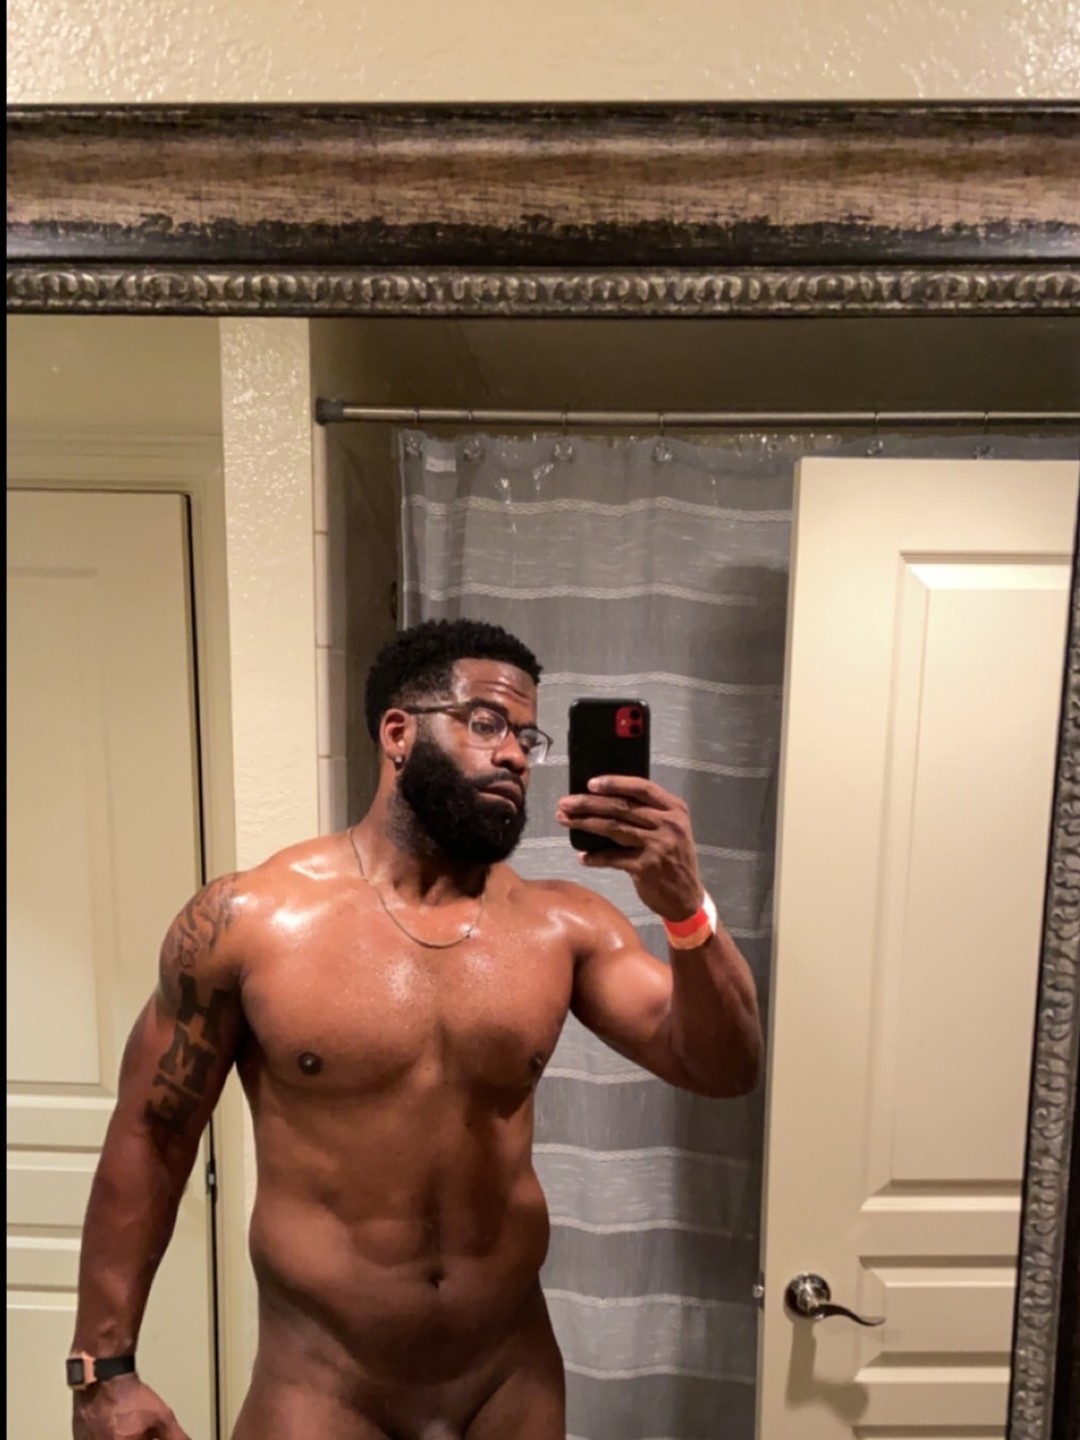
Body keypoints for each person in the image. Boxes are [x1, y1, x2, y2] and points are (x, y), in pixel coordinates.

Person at [69, 617, 763, 1440]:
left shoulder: (563, 925)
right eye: (486, 722)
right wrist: (102, 1370)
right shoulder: (251, 920)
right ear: (398, 733)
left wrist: (685, 908)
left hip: (507, 1381)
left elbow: (723, 1065)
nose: (515, 756)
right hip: (324, 1387)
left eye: (527, 738)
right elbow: (153, 1132)